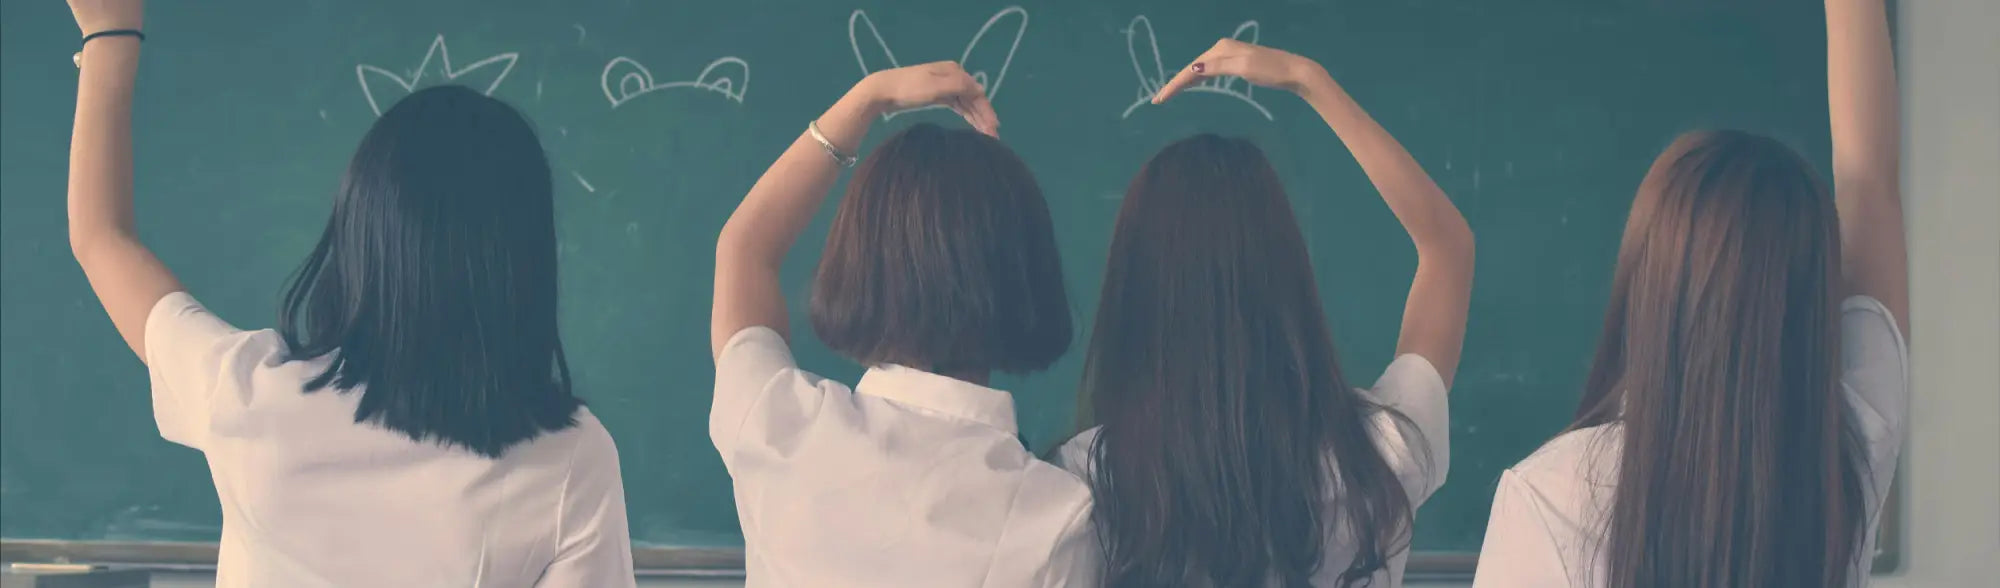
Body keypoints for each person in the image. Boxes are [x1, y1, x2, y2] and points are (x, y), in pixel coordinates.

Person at [61, 2, 633, 586]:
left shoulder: (251, 397)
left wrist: (113, 34)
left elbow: (101, 238)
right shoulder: (571, 461)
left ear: (358, 233)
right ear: (526, 265)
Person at [1472, 0, 1908, 586]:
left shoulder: (1552, 495)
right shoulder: (1847, 455)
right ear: (1812, 298)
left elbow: (1868, 182)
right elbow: (1868, 181)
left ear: (1649, 287)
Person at [1054, 40, 1475, 587]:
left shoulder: (1084, 482)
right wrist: (1310, 80)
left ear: (1133, 292)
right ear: (1288, 275)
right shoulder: (1380, 454)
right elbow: (1449, 249)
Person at [708, 61, 1090, 586]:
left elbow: (745, 248)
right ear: (1026, 271)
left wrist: (866, 100)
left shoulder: (778, 424)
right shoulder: (1054, 520)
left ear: (858, 261)